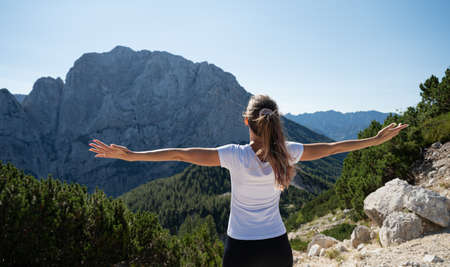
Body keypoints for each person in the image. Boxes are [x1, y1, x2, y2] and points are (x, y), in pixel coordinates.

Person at [88, 94, 408, 267]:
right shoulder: (289, 152)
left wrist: (131, 155)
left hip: (240, 247)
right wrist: (375, 141)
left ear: (246, 121)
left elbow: (181, 154)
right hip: (277, 246)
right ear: (275, 122)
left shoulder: (233, 155)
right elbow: (334, 148)